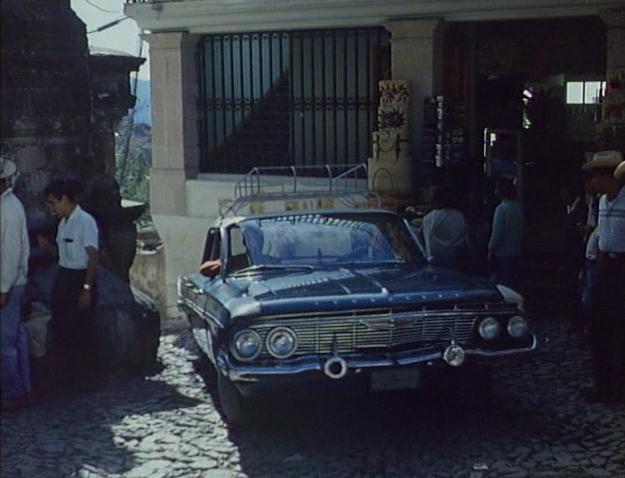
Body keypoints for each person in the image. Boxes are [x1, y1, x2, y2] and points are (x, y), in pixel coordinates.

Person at [38, 179, 101, 390]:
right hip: (64, 277)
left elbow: (92, 256)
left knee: (81, 330)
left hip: (80, 278)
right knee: (63, 329)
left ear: (64, 199)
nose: (51, 208)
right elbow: (62, 256)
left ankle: (86, 378)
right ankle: (67, 377)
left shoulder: (85, 221)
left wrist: (86, 289)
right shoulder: (63, 224)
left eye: (53, 202)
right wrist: (48, 247)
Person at [582, 151, 625, 403]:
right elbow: (602, 238)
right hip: (606, 266)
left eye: (596, 176)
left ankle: (618, 386)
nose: (593, 182)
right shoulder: (601, 203)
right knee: (599, 326)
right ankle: (602, 383)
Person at [0, 157, 32, 409]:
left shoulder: (7, 210)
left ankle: (13, 391)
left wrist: (3, 288)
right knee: (17, 337)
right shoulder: (10, 205)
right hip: (14, 282)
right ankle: (23, 386)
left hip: (8, 283)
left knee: (5, 341)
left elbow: (10, 253)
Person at [421, 184, 469, 270]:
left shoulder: (430, 217)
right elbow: (465, 238)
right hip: (456, 259)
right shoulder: (459, 216)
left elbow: (424, 238)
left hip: (435, 260)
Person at [488, 177, 523, 290]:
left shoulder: (501, 209)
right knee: (512, 282)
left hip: (502, 252)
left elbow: (497, 232)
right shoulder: (518, 208)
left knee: (501, 283)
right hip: (516, 250)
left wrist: (491, 249)